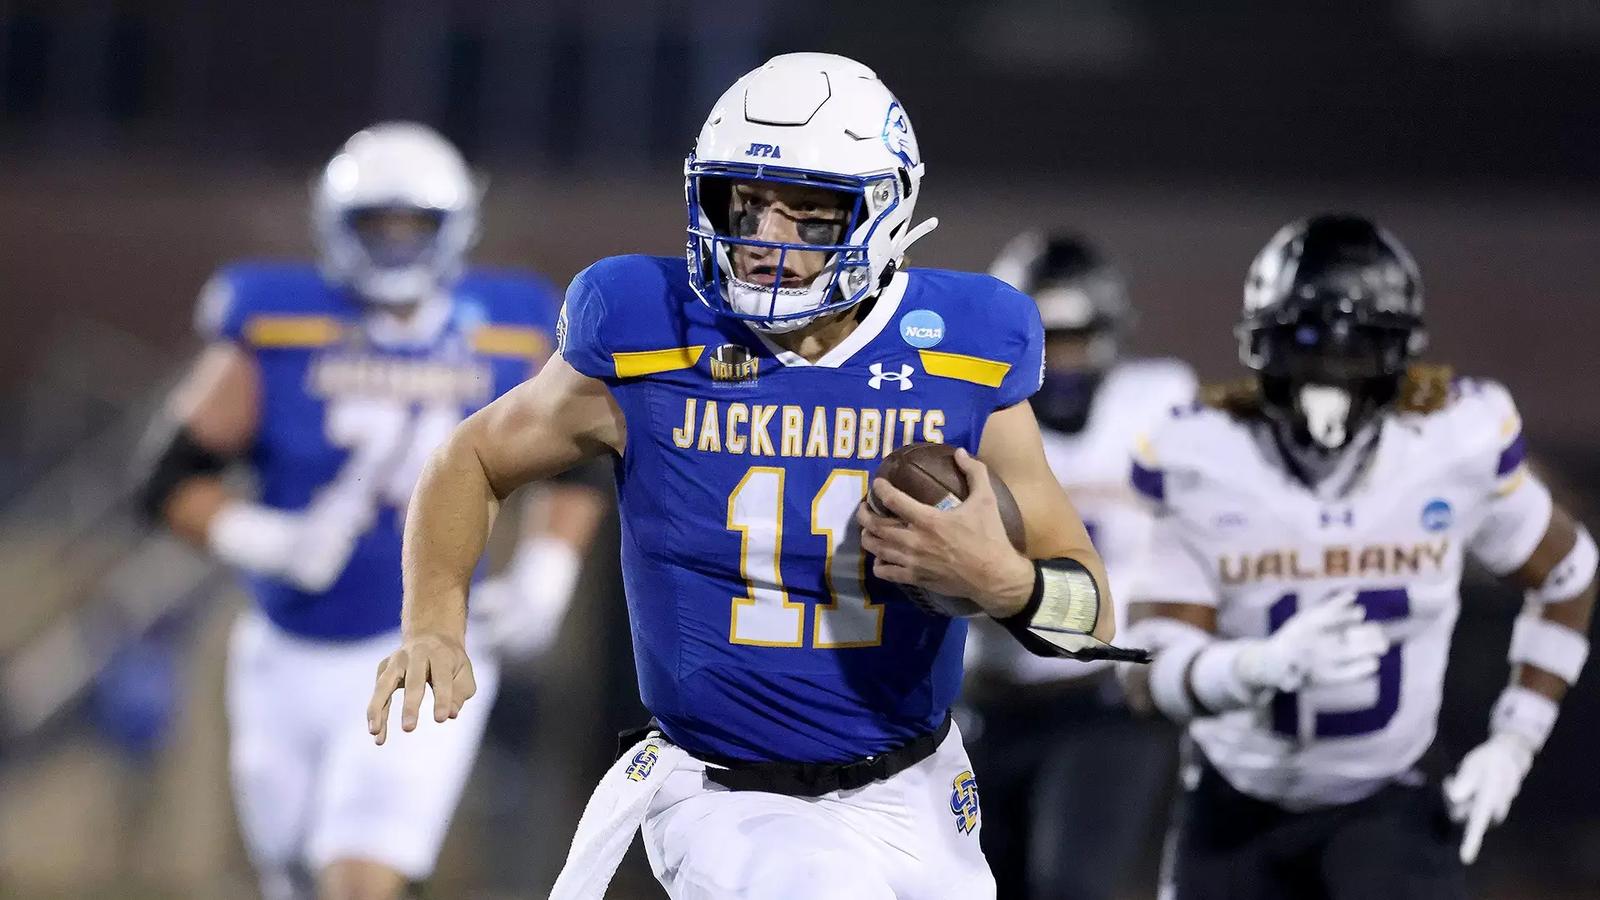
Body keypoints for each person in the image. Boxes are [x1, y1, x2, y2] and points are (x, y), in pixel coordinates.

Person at [366, 53, 1136, 900]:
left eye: (807, 212)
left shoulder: (961, 347)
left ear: (884, 209)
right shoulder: (646, 328)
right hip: (729, 794)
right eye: (746, 202)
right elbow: (471, 456)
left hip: (919, 787)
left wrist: (1006, 583)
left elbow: (1090, 618)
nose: (766, 241)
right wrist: (433, 619)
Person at [139, 122, 604, 900]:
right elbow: (164, 480)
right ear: (336, 225)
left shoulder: (512, 323)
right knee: (289, 871)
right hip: (284, 646)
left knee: (361, 873)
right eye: (376, 225)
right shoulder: (277, 319)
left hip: (426, 636)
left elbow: (580, 460)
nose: (396, 245)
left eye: (414, 226)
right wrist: (264, 538)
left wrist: (548, 573)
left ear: (455, 227)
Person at [1119, 214, 1596, 899]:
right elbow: (1146, 674)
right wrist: (1255, 667)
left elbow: (1569, 575)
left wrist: (1515, 741)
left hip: (1386, 799)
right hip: (1236, 798)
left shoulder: (1451, 444)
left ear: (1401, 355)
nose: (1329, 374)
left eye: (1356, 350)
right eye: (1306, 346)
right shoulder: (1205, 455)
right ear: (1261, 349)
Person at [965, 232, 1195, 899]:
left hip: (1107, 703)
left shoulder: (1159, 404)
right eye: (1041, 343)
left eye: (1070, 340)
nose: (1056, 364)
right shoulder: (973, 415)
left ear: (1108, 335)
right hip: (990, 700)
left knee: (1069, 887)